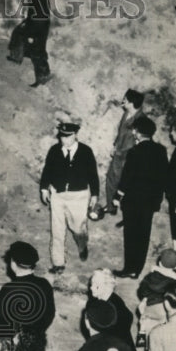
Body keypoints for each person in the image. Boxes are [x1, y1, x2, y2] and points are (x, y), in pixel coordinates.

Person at [40, 113, 99, 269]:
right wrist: (44, 188)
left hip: (78, 196)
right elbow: (47, 170)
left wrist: (95, 194)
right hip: (58, 195)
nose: (64, 140)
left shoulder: (86, 152)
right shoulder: (54, 150)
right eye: (62, 137)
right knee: (57, 230)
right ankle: (58, 263)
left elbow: (93, 174)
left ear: (75, 135)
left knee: (77, 226)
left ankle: (82, 242)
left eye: (68, 137)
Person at [112, 114, 168, 279]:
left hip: (133, 201)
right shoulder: (161, 150)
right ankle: (137, 269)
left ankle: (129, 267)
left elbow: (127, 177)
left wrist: (117, 197)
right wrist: (157, 199)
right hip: (150, 201)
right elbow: (163, 176)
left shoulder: (135, 151)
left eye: (134, 130)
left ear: (137, 132)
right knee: (143, 234)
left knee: (131, 235)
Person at [0, 241, 56, 346]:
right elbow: (49, 314)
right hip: (34, 340)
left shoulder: (7, 291)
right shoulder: (45, 284)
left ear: (13, 264)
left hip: (11, 343)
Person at [99, 88, 145, 216]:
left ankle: (119, 208)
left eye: (125, 99)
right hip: (120, 152)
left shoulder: (139, 120)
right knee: (112, 180)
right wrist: (115, 144)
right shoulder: (127, 114)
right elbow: (121, 133)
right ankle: (111, 206)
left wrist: (118, 152)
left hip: (127, 157)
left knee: (122, 182)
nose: (122, 101)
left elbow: (132, 143)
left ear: (131, 103)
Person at [8, 0, 52, 87]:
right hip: (34, 26)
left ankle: (43, 77)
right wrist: (25, 23)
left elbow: (40, 18)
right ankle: (16, 57)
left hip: (39, 29)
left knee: (37, 53)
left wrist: (32, 35)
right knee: (18, 33)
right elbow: (33, 15)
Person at [136, 249, 176, 344]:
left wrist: (146, 298)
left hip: (149, 306)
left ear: (160, 263)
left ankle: (146, 340)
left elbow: (141, 291)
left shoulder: (149, 277)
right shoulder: (175, 282)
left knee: (148, 326)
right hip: (164, 309)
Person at [86, 268, 136, 351]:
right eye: (91, 284)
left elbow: (128, 318)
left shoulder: (117, 306)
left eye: (96, 286)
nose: (91, 288)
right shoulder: (94, 300)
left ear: (106, 287)